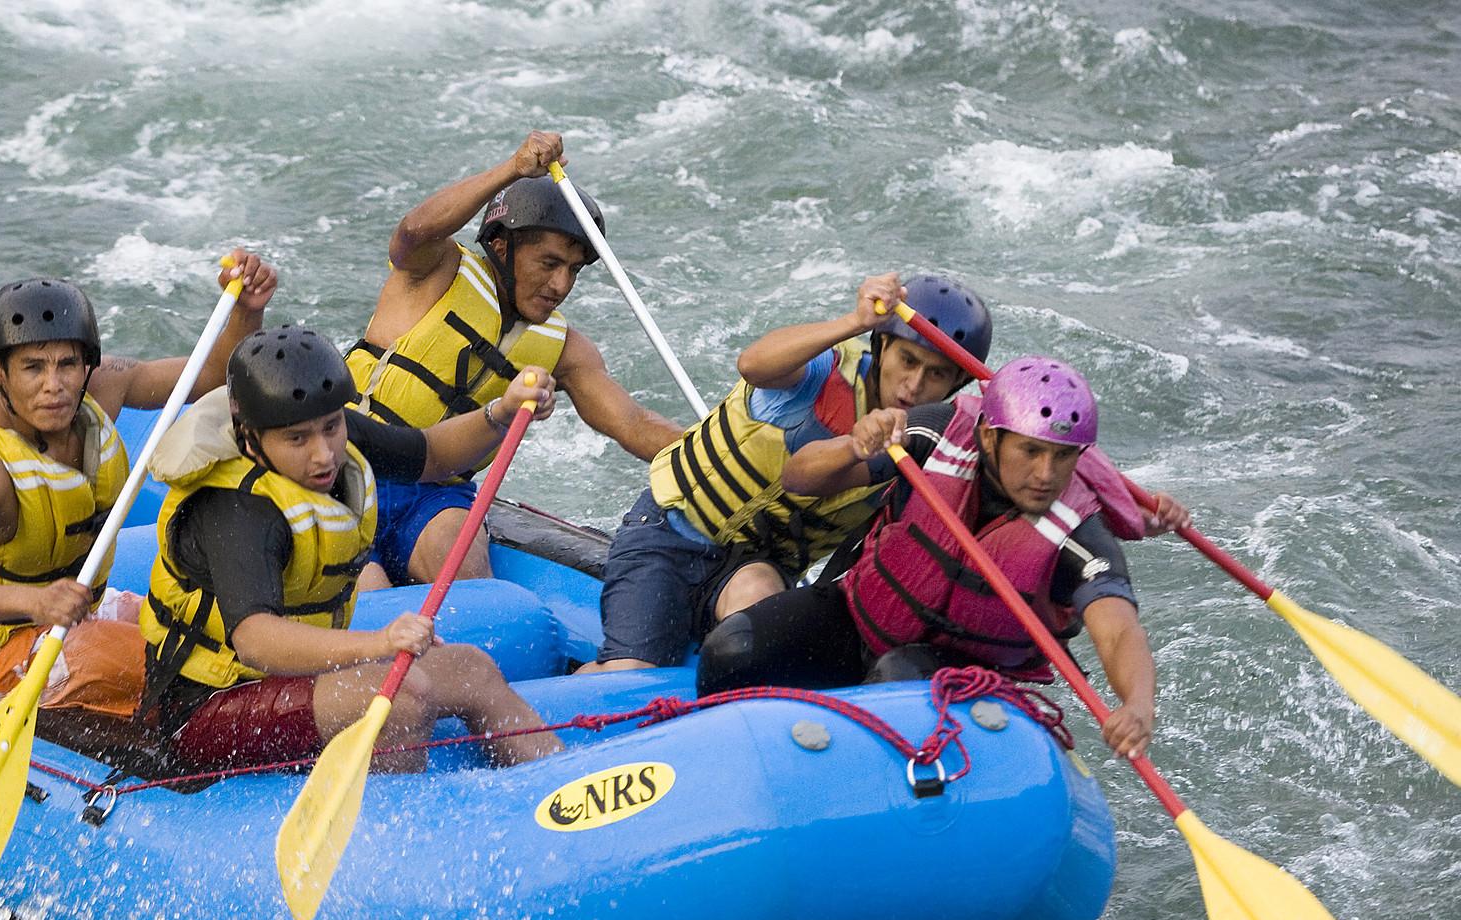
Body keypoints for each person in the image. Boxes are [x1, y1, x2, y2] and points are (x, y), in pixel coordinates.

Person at [697, 357, 1177, 757]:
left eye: (1063, 455)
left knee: (896, 684)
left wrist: (1136, 705)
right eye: (1030, 451)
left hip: (961, 677)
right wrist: (851, 446)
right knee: (732, 648)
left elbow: (1117, 629)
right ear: (990, 436)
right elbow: (800, 479)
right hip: (858, 618)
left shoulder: (1079, 531)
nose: (1046, 474)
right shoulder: (935, 435)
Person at [140, 326, 564, 772]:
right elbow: (255, 641)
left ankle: (557, 789)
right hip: (204, 712)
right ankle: (404, 829)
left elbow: (432, 455)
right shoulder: (236, 508)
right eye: (298, 440)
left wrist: (502, 410)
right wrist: (378, 643)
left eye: (331, 428)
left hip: (297, 679)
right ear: (250, 436)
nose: (324, 454)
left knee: (471, 670)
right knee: (404, 699)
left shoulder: (330, 432)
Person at [0, 260, 277, 715]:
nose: (55, 386)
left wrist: (246, 312)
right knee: (184, 669)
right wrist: (37, 602)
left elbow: (209, 375)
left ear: (87, 362)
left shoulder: (101, 388)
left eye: (67, 364)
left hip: (81, 612)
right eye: (33, 368)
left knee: (212, 634)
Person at [588, 272, 992, 671]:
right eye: (908, 360)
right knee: (631, 670)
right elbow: (753, 364)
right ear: (882, 345)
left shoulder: (923, 443)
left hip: (753, 568)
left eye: (936, 373)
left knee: (759, 626)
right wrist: (854, 322)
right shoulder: (823, 371)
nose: (914, 384)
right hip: (667, 535)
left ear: (956, 383)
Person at [345, 130, 683, 586]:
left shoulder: (566, 349)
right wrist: (511, 170)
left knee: (464, 577)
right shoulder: (435, 269)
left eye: (573, 270)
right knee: (366, 590)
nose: (561, 285)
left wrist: (724, 452)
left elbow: (632, 424)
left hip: (436, 496)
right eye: (549, 263)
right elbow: (413, 231)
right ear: (502, 246)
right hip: (348, 466)